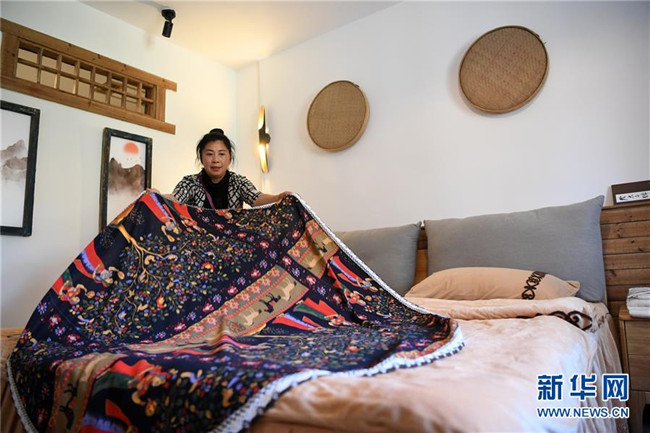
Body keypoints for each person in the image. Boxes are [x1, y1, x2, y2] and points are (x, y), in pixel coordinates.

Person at [164, 128, 291, 209]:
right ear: (201, 158)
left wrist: (278, 197)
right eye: (209, 154)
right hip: (198, 240)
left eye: (221, 154)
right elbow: (175, 198)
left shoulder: (238, 182)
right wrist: (157, 197)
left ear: (230, 158)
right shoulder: (190, 182)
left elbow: (257, 198)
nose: (216, 160)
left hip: (233, 240)